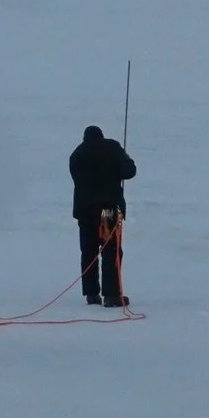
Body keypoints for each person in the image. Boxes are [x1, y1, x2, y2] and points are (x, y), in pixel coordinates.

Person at [68, 123, 137, 307]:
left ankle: (91, 294)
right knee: (110, 249)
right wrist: (126, 160)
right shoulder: (112, 147)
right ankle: (112, 295)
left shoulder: (76, 154)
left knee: (88, 251)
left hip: (85, 211)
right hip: (107, 210)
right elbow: (129, 172)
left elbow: (76, 177)